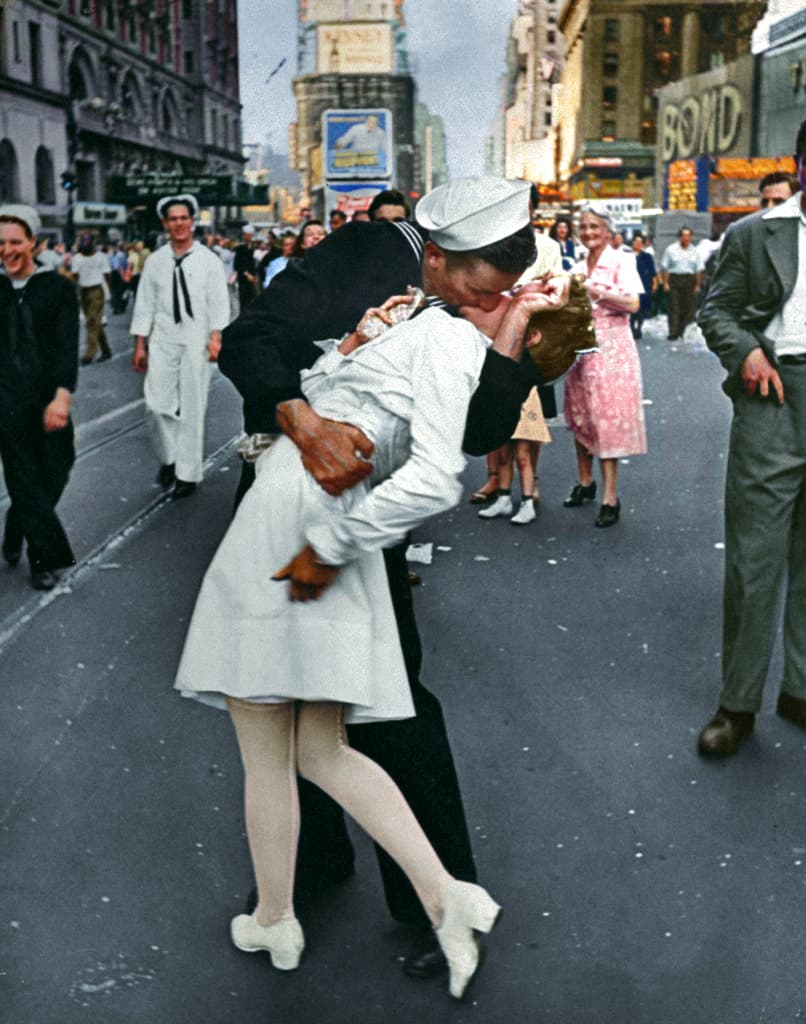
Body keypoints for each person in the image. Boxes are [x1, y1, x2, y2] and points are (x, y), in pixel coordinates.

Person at [176, 179, 555, 998]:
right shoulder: (361, 254)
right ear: (442, 255)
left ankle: (426, 901)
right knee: (293, 707)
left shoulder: (482, 305)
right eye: (479, 284)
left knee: (386, 704)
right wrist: (301, 420)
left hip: (362, 519)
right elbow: (250, 341)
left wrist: (514, 337)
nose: (485, 297)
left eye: (502, 287)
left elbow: (480, 431)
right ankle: (309, 874)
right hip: (297, 485)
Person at [695, 120, 806, 758]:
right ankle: (737, 706)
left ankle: (800, 688)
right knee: (754, 561)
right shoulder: (754, 232)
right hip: (775, 396)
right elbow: (716, 310)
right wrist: (747, 355)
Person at [130, 194, 230, 499]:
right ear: (165, 224)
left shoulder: (209, 261)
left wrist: (216, 338)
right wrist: (139, 345)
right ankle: (170, 457)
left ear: (192, 221)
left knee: (192, 405)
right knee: (156, 405)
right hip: (162, 338)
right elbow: (145, 304)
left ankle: (187, 473)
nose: (178, 224)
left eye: (183, 218)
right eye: (172, 219)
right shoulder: (156, 262)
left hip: (196, 339)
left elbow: (218, 302)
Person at [0, 204, 78, 590]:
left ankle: (17, 523)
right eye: (0, 243)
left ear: (33, 242)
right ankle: (42, 559)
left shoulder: (58, 289)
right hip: (5, 401)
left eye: (16, 242)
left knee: (57, 468)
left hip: (48, 396)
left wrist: (62, 396)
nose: (7, 250)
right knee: (24, 475)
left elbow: (67, 347)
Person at [562, 202, 646, 528]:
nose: (588, 233)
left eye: (594, 227)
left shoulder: (622, 261)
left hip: (613, 349)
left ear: (608, 231)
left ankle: (611, 496)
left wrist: (596, 291)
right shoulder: (578, 264)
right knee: (581, 415)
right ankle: (586, 483)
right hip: (581, 348)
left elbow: (634, 303)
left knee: (606, 419)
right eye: (583, 227)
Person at [477, 219, 563, 524]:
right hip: (501, 382)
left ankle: (527, 499)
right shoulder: (497, 300)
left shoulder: (537, 304)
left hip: (525, 385)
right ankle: (502, 497)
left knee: (524, 449)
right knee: (502, 450)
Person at [69, 234, 112, 365]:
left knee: (92, 322)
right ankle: (106, 350)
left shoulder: (101, 257)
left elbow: (107, 275)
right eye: (84, 242)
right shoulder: (76, 258)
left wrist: (109, 292)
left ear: (93, 243)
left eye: (88, 242)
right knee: (94, 322)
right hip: (83, 291)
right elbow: (74, 277)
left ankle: (89, 353)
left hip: (96, 291)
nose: (85, 244)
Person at [660, 227, 704, 341]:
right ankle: (673, 332)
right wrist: (665, 283)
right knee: (674, 306)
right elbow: (665, 267)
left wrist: (698, 284)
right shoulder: (671, 250)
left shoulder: (695, 251)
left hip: (689, 280)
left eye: (688, 235)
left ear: (691, 237)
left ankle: (681, 330)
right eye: (684, 235)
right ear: (680, 237)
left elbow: (698, 270)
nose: (686, 238)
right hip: (674, 279)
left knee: (687, 307)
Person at [629, 232, 657, 340]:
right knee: (631, 308)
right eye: (636, 242)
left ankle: (639, 327)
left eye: (640, 242)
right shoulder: (627, 256)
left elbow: (652, 271)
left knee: (641, 308)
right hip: (630, 285)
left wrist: (654, 283)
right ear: (632, 243)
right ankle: (631, 327)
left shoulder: (647, 257)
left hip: (644, 284)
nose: (638, 244)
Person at [233, 223, 258, 311]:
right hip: (243, 279)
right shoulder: (239, 249)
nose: (249, 236)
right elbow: (237, 265)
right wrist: (247, 274)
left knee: (252, 301)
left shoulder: (254, 248)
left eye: (250, 235)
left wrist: (254, 276)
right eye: (247, 234)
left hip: (253, 279)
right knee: (244, 302)